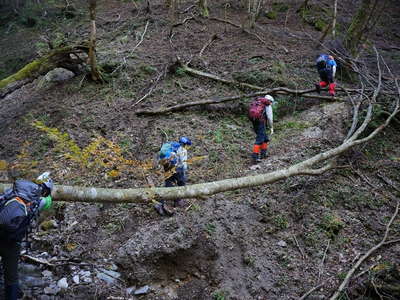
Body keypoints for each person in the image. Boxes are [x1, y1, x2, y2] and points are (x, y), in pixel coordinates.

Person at [0, 172, 53, 300]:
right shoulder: (39, 201)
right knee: (11, 278)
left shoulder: (12, 192)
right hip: (12, 243)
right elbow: (49, 201)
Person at [154, 137, 192, 216]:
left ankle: (160, 203)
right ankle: (178, 201)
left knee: (169, 183)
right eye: (188, 145)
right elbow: (183, 163)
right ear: (185, 144)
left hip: (167, 166)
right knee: (181, 183)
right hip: (177, 168)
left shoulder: (172, 146)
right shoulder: (183, 150)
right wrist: (183, 171)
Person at [248, 95, 274, 164]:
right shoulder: (267, 104)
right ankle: (255, 157)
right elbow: (270, 118)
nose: (271, 104)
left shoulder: (257, 102)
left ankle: (263, 154)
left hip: (254, 121)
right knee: (260, 139)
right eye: (272, 102)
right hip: (260, 122)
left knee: (265, 138)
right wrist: (271, 127)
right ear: (270, 101)